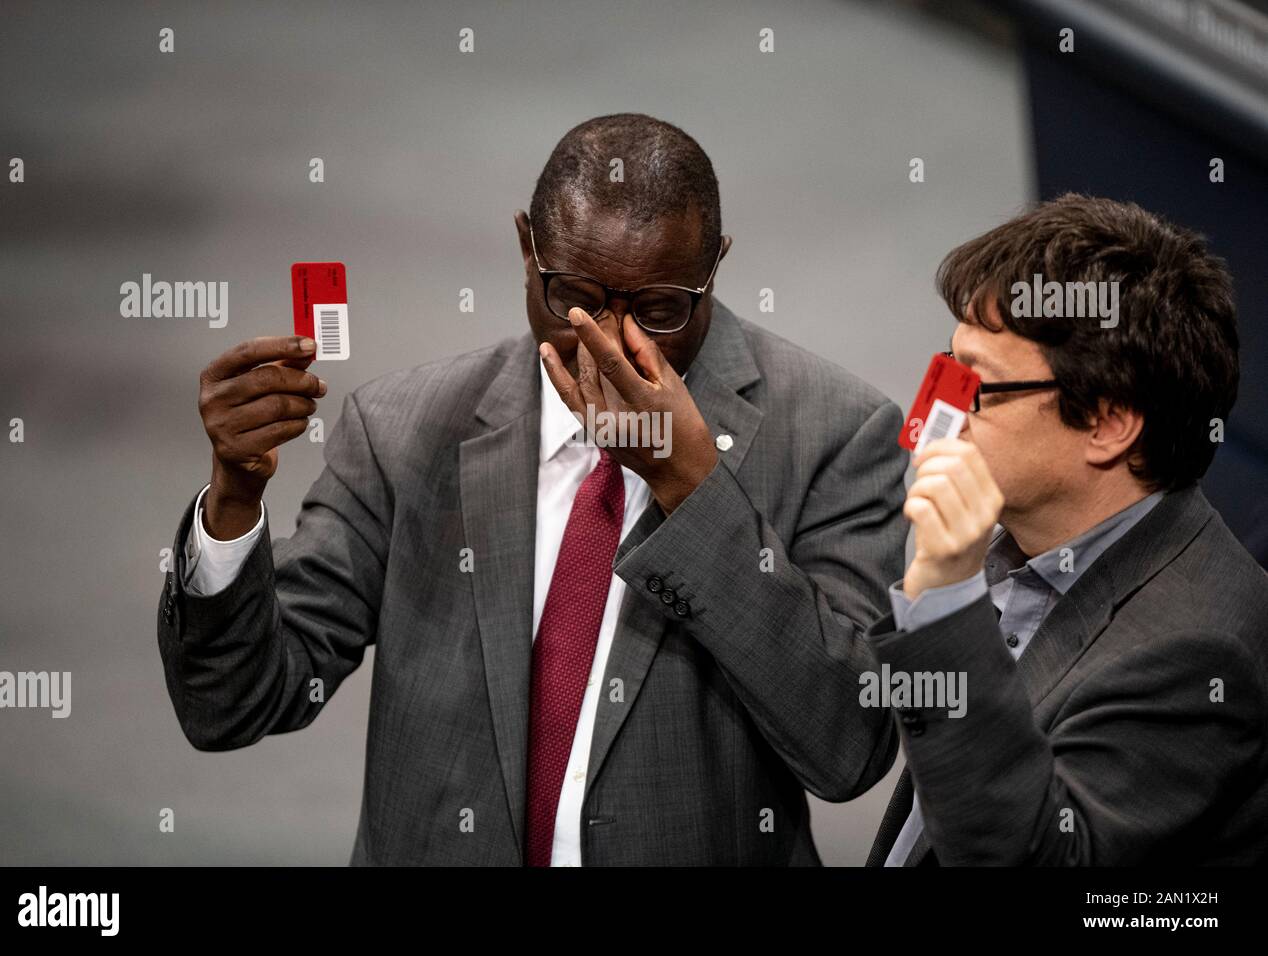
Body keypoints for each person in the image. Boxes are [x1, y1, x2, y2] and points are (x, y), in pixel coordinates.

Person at [156, 113, 909, 865]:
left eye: (658, 309)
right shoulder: (404, 433)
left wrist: (691, 487)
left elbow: (848, 748)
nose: (608, 341)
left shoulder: (831, 433)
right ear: (527, 248)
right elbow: (236, 702)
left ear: (716, 266)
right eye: (574, 296)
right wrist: (232, 503)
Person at [866, 194, 1268, 866]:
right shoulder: (1025, 547)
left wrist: (943, 603)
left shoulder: (1196, 653)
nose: (943, 408)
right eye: (950, 366)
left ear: (1107, 423)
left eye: (980, 386)